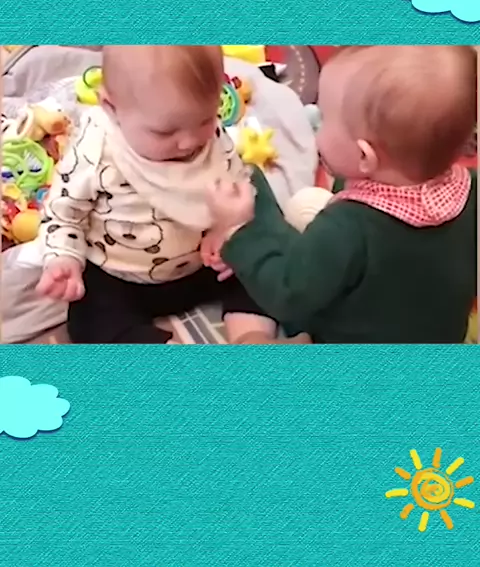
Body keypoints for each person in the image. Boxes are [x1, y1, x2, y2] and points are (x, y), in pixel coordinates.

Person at [206, 45, 478, 344]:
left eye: (323, 119)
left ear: (364, 157)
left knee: (253, 277)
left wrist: (240, 230)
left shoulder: (348, 228)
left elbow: (287, 293)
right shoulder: (471, 188)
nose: (316, 127)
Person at [36, 45, 286, 344]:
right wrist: (63, 259)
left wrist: (225, 229)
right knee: (88, 319)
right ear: (111, 108)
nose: (189, 142)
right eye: (165, 132)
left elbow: (233, 182)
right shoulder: (96, 152)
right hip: (121, 277)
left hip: (204, 264)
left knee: (258, 263)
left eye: (206, 120)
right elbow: (62, 213)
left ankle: (252, 338)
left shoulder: (209, 135)